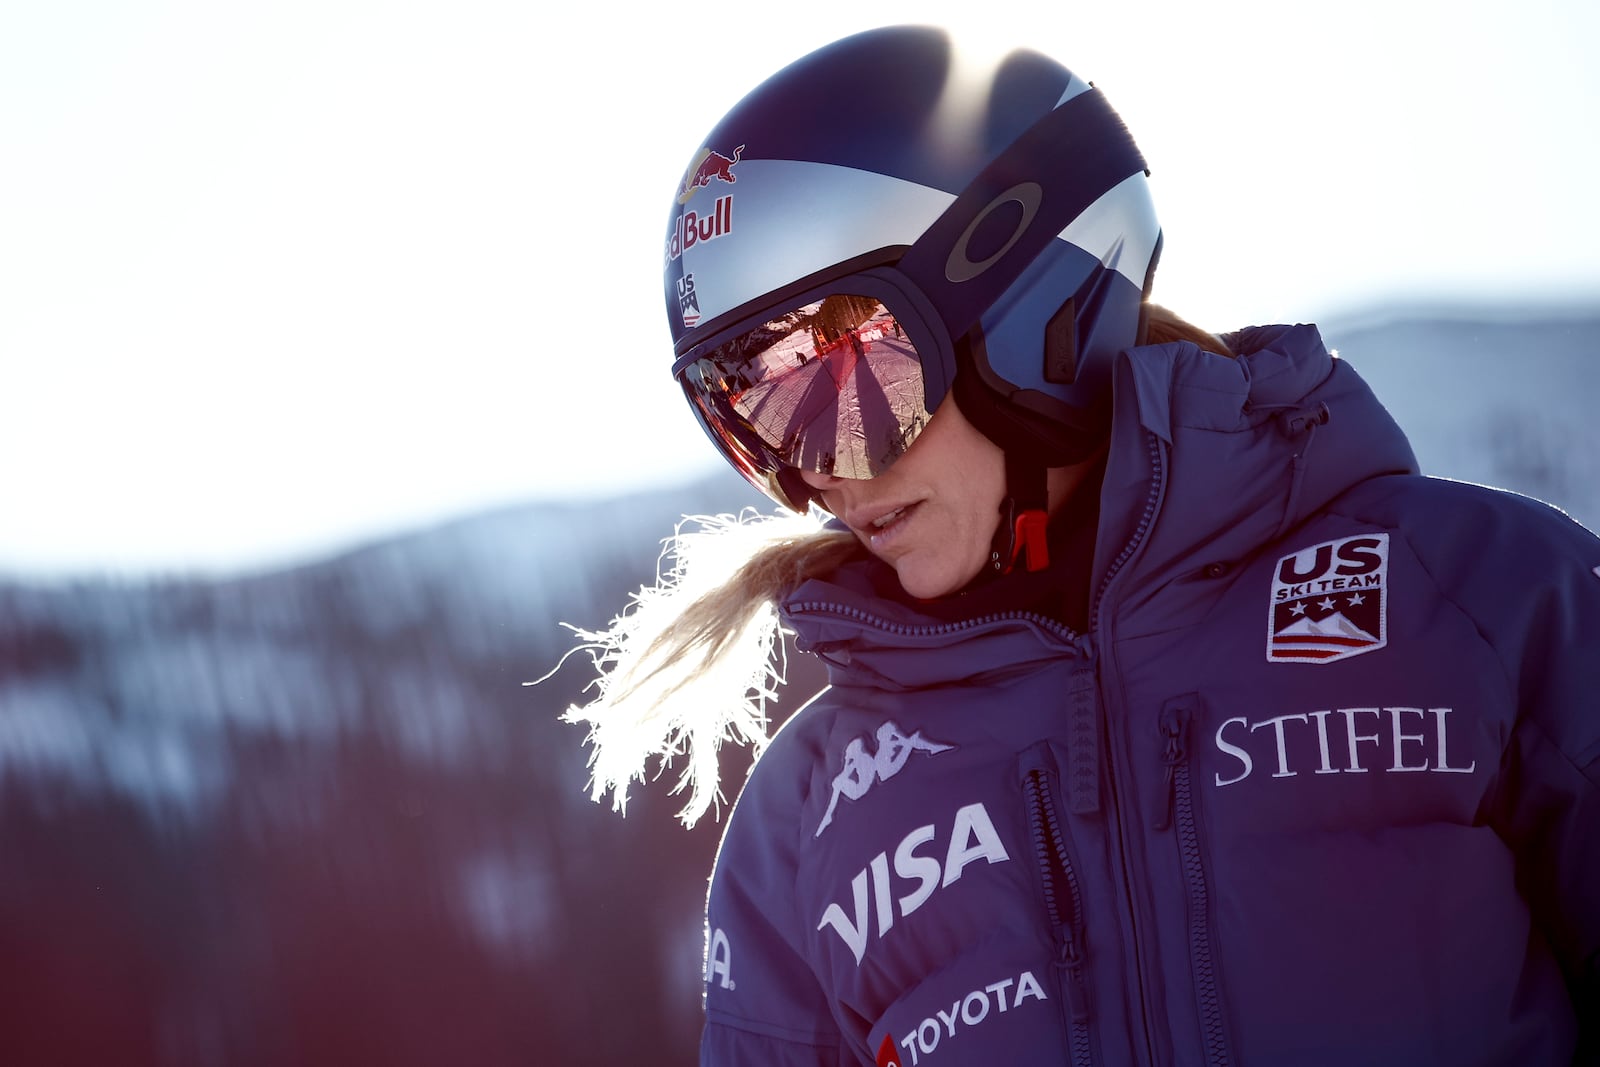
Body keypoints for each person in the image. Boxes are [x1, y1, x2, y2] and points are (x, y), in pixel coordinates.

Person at [560, 24, 1599, 1066]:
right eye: (751, 416)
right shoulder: (804, 821)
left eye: (841, 375)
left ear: (1029, 311)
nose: (814, 470)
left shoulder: (1478, 597)